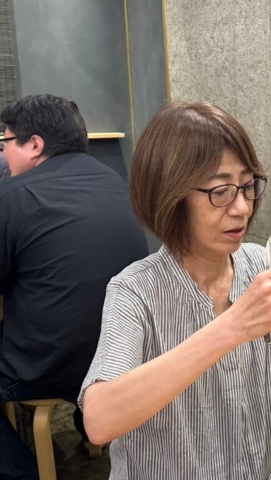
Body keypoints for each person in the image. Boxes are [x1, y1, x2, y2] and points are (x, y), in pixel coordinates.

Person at [79, 102, 271, 479]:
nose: (242, 208)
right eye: (220, 191)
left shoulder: (263, 266)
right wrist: (233, 326)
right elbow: (99, 421)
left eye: (247, 186)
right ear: (170, 196)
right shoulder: (135, 292)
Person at [0, 94, 149, 479]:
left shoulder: (13, 197)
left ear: (34, 145)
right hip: (125, 355)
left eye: (5, 142)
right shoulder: (116, 182)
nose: (3, 154)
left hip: (52, 367)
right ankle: (89, 427)